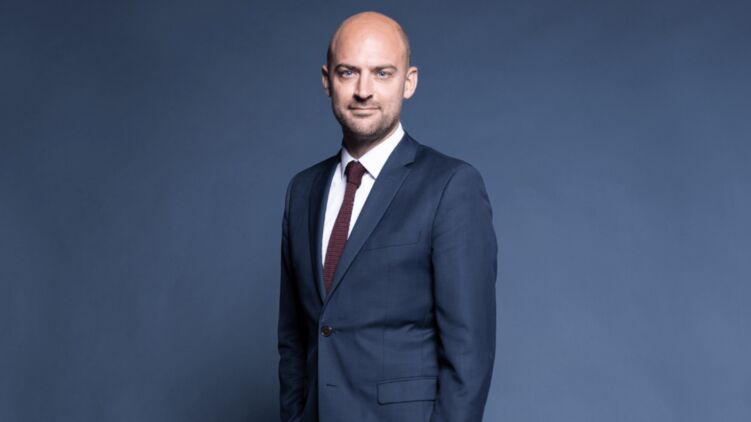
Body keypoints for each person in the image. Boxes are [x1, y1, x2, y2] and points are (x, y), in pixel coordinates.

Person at [278, 10, 497, 422]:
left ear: (408, 82)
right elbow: (293, 339)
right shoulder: (302, 191)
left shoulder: (450, 186)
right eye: (348, 72)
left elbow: (469, 357)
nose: (364, 91)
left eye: (382, 73)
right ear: (327, 80)